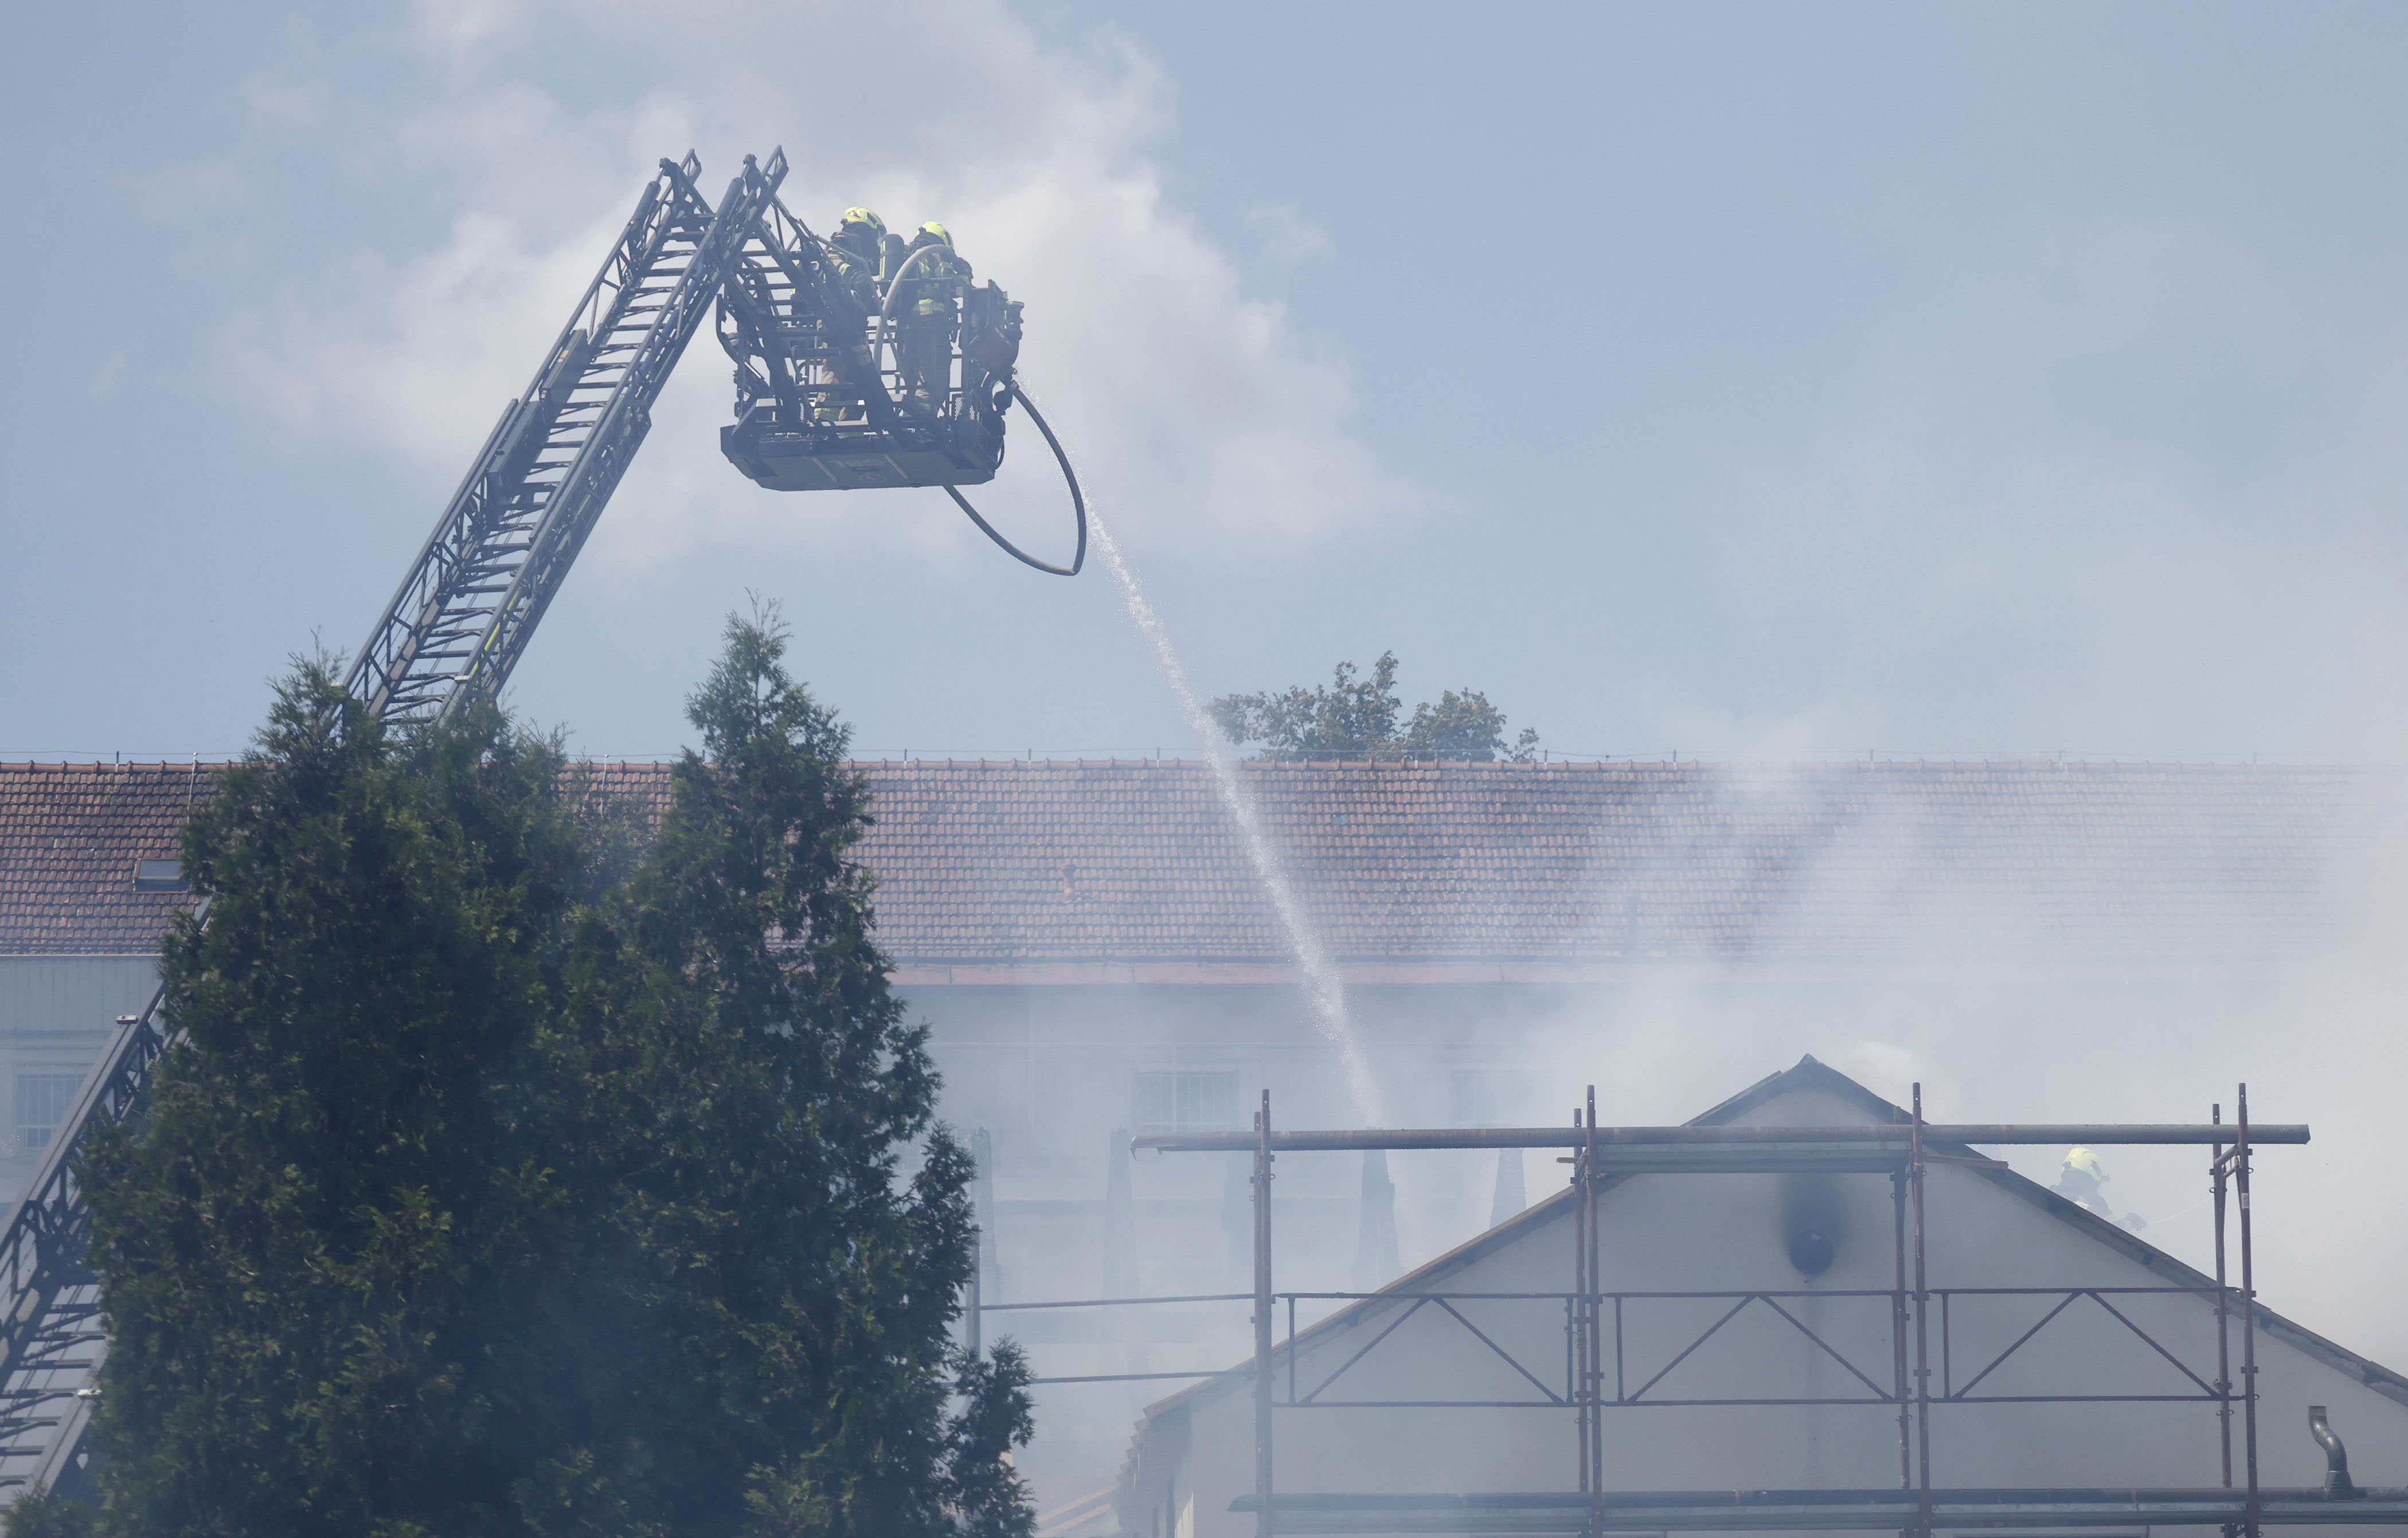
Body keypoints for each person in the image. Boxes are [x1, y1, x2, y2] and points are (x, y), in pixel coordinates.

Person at [816, 208, 886, 422]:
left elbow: (862, 297)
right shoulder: (839, 246)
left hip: (853, 325)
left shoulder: (856, 258)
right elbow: (834, 265)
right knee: (836, 370)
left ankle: (848, 428)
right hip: (835, 319)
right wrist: (856, 276)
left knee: (860, 378)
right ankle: (823, 421)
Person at [897, 222, 973, 406]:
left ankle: (910, 419)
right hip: (930, 322)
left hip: (905, 327)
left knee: (913, 381)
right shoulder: (935, 253)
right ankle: (920, 425)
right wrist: (965, 273)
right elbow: (953, 283)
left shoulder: (907, 258)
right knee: (931, 381)